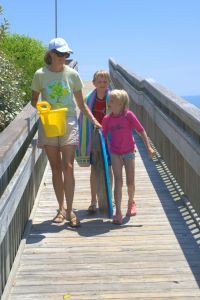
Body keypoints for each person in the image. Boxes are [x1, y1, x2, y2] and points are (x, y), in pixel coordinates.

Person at [31, 37, 101, 227]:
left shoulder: (72, 75)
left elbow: (81, 104)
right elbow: (34, 100)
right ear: (51, 54)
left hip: (69, 121)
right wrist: (43, 109)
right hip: (49, 122)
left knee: (68, 166)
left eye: (66, 54)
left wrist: (93, 120)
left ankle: (70, 211)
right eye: (61, 54)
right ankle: (60, 209)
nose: (64, 57)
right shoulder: (40, 74)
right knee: (55, 168)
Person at [102, 89, 155, 225]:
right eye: (110, 99)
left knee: (130, 182)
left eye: (113, 100)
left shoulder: (129, 116)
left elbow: (141, 130)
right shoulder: (107, 119)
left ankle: (131, 202)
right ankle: (118, 211)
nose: (109, 101)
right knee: (118, 181)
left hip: (129, 152)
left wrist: (148, 147)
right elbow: (103, 136)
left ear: (121, 103)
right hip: (115, 152)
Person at [76, 70, 112, 214]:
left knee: (108, 169)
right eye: (99, 82)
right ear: (94, 83)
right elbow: (82, 120)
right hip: (94, 137)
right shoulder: (88, 99)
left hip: (110, 138)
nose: (102, 84)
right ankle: (93, 201)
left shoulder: (114, 98)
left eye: (105, 82)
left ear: (109, 83)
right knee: (94, 170)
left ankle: (110, 198)